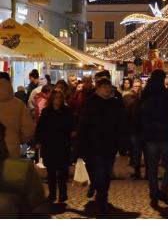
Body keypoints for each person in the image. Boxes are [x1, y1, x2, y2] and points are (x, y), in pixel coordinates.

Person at [77, 78, 126, 214]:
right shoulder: (90, 102)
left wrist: (122, 141)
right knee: (99, 172)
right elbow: (83, 124)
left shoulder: (115, 103)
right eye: (104, 86)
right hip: (94, 144)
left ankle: (102, 195)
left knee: (106, 173)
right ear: (98, 88)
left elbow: (121, 123)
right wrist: (80, 144)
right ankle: (102, 198)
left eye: (108, 86)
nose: (107, 89)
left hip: (110, 144)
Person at [140, 69, 168, 207]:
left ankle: (154, 194)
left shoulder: (146, 94)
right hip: (166, 134)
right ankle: (163, 191)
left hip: (150, 135)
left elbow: (141, 114)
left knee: (152, 167)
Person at [0, 122, 50, 218]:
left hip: (11, 150)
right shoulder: (22, 107)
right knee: (26, 162)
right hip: (18, 147)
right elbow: (28, 131)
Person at [35, 90, 75, 203]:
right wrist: (38, 141)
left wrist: (72, 134)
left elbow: (72, 125)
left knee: (63, 171)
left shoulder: (67, 111)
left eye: (59, 97)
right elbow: (40, 127)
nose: (58, 99)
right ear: (52, 99)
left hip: (63, 144)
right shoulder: (46, 111)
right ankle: (52, 194)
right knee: (51, 172)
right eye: (56, 97)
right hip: (50, 145)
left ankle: (63, 193)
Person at [0, 72, 35, 158]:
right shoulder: (18, 104)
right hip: (12, 148)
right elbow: (28, 130)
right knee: (10, 170)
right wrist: (18, 139)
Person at [123, 78, 144, 179]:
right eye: (136, 87)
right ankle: (137, 170)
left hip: (143, 128)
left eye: (139, 87)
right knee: (135, 151)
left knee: (143, 151)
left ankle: (146, 171)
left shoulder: (144, 98)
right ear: (132, 87)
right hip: (133, 128)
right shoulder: (128, 98)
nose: (137, 89)